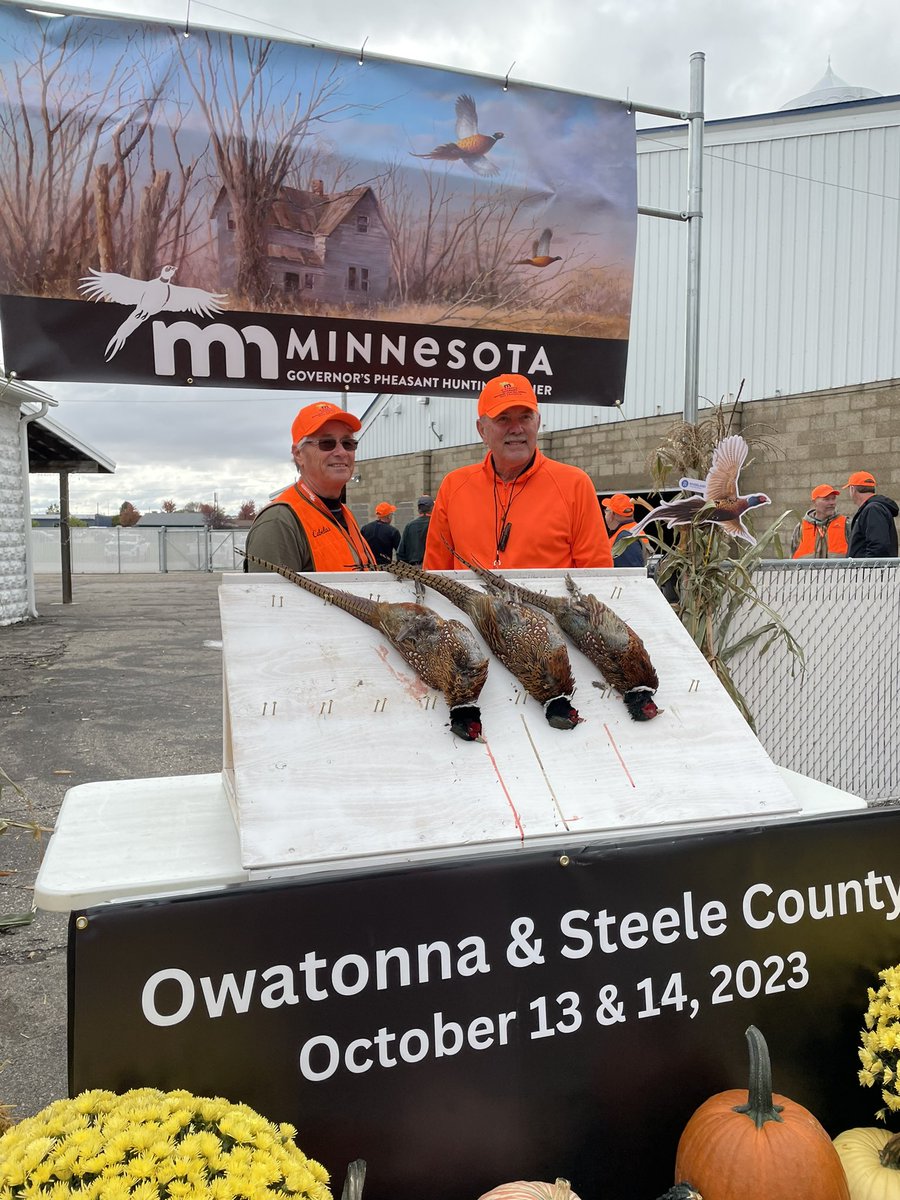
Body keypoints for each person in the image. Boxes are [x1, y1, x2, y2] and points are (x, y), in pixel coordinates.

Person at [424, 374, 613, 570]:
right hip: (472, 602)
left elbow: (598, 574)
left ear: (537, 423)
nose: (516, 428)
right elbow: (435, 573)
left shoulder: (574, 484)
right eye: (503, 419)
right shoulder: (454, 486)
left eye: (525, 417)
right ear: (482, 430)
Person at [244, 401, 376, 572]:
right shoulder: (279, 522)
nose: (341, 452)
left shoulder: (344, 514)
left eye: (348, 443)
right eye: (327, 443)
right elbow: (272, 599)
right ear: (298, 454)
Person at [843, 470, 899, 558]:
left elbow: (878, 546)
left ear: (852, 489)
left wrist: (867, 568)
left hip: (870, 570)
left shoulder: (873, 509)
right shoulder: (874, 508)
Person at [790, 484, 849, 558]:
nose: (832, 503)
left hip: (838, 569)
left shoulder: (846, 524)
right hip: (808, 569)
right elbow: (793, 555)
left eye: (833, 499)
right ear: (814, 502)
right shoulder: (801, 526)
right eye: (826, 499)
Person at [601, 493, 648, 568]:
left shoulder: (625, 539)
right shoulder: (634, 530)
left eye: (606, 511)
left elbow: (630, 574)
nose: (605, 515)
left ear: (612, 514)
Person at [398, 495, 434, 565]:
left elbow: (401, 553)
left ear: (418, 509)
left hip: (414, 569)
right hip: (433, 568)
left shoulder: (410, 526)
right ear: (432, 508)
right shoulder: (436, 524)